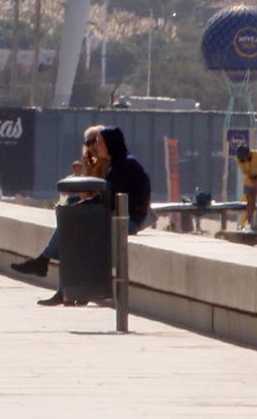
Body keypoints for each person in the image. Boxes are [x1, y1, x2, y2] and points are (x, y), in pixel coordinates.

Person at [10, 126, 152, 303]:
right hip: (115, 215)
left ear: (110, 144)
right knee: (72, 222)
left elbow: (107, 200)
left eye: (99, 143)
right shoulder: (119, 162)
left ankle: (46, 265)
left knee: (72, 222)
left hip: (126, 221)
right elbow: (104, 199)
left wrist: (80, 205)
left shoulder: (124, 165)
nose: (96, 147)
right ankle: (59, 282)